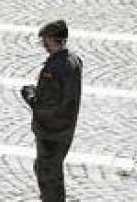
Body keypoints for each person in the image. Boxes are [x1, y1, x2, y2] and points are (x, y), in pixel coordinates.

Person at [21, 20, 82, 202]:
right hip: (64, 129)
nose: (44, 46)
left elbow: (47, 105)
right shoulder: (73, 60)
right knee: (51, 172)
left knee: (48, 176)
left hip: (51, 132)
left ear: (56, 40)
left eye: (46, 42)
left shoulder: (55, 68)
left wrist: (30, 96)